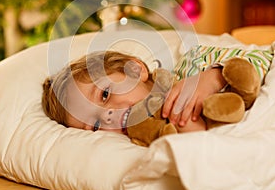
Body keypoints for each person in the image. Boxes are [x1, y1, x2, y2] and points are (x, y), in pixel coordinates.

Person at [42, 46, 273, 135]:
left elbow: (263, 59)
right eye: (94, 125)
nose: (107, 116)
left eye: (104, 94)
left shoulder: (192, 64)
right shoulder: (147, 138)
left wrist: (213, 77)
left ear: (134, 70)